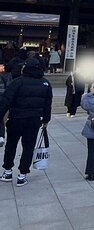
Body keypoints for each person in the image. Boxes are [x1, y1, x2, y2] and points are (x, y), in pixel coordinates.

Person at [0, 57, 53, 187]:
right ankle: (22, 175)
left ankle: (7, 171)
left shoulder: (18, 82)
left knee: (11, 145)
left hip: (16, 119)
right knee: (28, 147)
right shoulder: (45, 83)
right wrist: (46, 120)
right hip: (34, 121)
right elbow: (48, 105)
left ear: (26, 68)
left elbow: (5, 101)